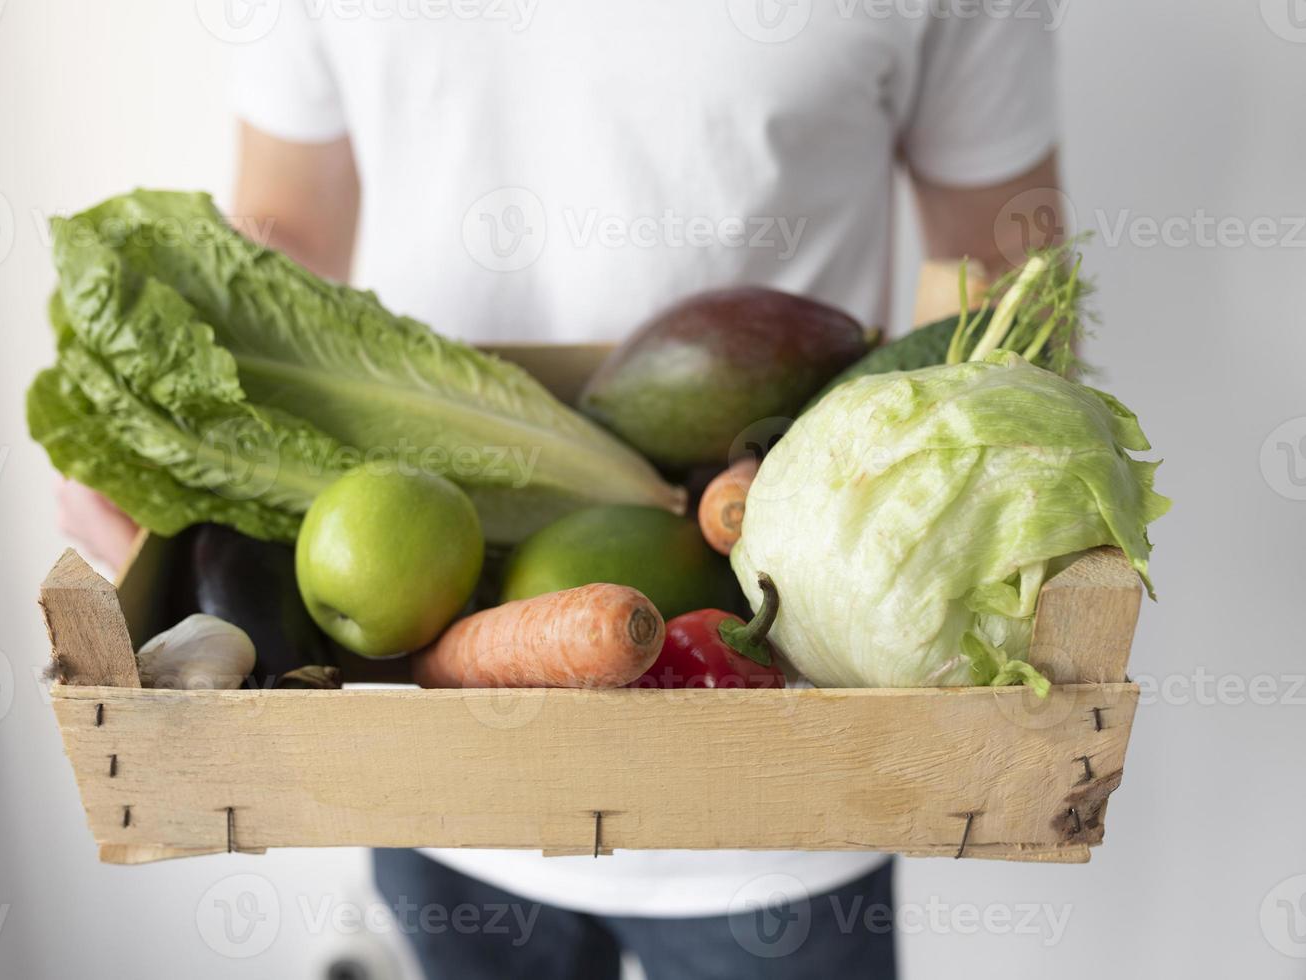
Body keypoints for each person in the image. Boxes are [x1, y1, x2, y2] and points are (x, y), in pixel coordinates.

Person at [59, 3, 1062, 976]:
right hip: (430, 743)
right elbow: (283, 223)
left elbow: (1005, 262)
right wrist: (174, 426)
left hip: (789, 775)